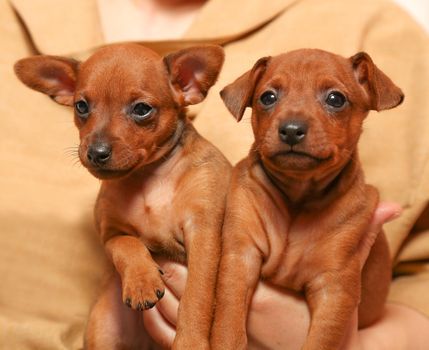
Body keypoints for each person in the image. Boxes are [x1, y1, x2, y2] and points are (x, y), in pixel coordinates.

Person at [1, 0, 428, 348]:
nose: (98, 143)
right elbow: (116, 233)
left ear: (189, 85)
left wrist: (341, 338)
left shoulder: (372, 23)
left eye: (334, 99)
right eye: (269, 98)